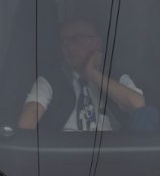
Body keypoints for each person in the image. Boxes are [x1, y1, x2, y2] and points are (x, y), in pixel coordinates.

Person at [17, 16, 146, 131]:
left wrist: (93, 74)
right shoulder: (50, 80)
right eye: (65, 42)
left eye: (76, 39)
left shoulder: (115, 76)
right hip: (64, 148)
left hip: (111, 147)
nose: (69, 47)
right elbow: (28, 120)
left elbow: (138, 105)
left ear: (97, 43)